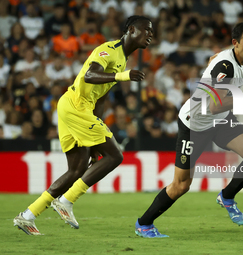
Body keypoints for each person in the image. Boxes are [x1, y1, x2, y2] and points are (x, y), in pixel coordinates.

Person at [14, 15, 153, 235]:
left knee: (76, 169)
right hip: (76, 106)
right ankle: (67, 201)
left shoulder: (123, 58)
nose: (150, 35)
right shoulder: (109, 49)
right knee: (115, 156)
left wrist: (97, 125)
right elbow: (89, 75)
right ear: (132, 29)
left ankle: (28, 215)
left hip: (78, 110)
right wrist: (122, 76)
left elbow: (101, 96)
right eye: (147, 30)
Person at [135, 22, 243, 238]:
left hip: (219, 121)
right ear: (236, 43)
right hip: (195, 124)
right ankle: (144, 224)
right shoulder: (224, 66)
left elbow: (215, 66)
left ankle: (227, 197)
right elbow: (213, 105)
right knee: (181, 186)